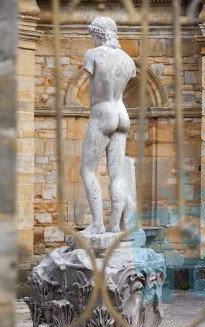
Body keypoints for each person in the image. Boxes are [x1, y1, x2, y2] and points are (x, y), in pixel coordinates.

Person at [80, 17, 136, 234]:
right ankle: (115, 224)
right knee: (118, 174)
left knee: (87, 170)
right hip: (122, 114)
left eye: (93, 34)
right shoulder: (128, 60)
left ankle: (97, 225)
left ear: (99, 33)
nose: (92, 39)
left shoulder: (93, 55)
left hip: (102, 114)